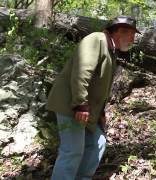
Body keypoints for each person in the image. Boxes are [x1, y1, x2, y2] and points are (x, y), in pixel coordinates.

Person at [46, 16, 140, 180]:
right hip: (71, 105)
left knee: (98, 143)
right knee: (72, 151)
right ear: (119, 32)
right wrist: (80, 104)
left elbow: (99, 87)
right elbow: (82, 71)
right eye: (131, 35)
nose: (133, 40)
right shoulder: (96, 40)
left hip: (87, 110)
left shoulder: (110, 50)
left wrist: (100, 113)